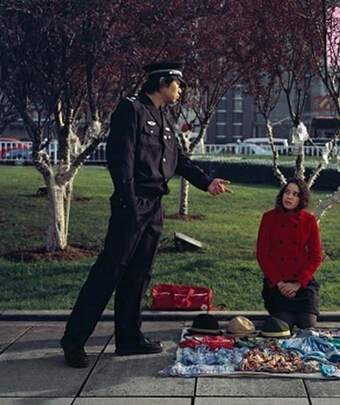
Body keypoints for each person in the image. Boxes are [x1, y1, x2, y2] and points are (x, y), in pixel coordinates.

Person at [60, 62, 232, 368]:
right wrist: (129, 201)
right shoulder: (132, 109)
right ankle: (74, 341)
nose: (181, 90)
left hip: (153, 206)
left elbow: (178, 159)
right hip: (133, 204)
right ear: (163, 82)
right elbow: (121, 158)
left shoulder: (163, 117)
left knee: (139, 273)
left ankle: (128, 338)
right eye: (178, 84)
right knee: (109, 272)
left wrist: (206, 182)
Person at [257, 178, 323, 330]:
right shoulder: (269, 218)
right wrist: (280, 284)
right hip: (277, 284)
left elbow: (315, 256)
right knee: (284, 324)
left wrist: (297, 284)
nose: (289, 197)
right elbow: (262, 255)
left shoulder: (309, 220)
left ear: (301, 199)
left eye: (295, 194)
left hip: (302, 283)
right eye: (287, 192)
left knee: (307, 323)